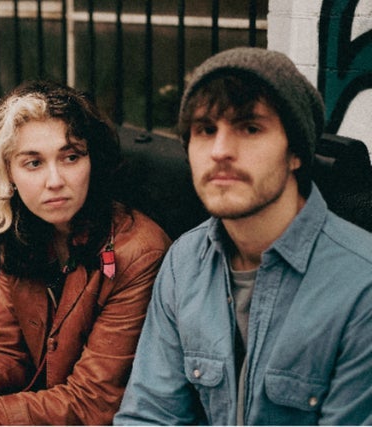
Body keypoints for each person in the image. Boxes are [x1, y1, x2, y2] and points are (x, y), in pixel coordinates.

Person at [114, 47, 372, 425]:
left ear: (296, 153)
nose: (220, 151)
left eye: (250, 128)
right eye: (205, 130)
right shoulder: (185, 261)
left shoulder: (361, 284)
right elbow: (150, 415)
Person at [0, 80, 172, 426]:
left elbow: (93, 403)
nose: (54, 180)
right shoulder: (21, 235)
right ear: (8, 172)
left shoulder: (139, 251)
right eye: (33, 163)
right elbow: (8, 350)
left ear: (93, 162)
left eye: (71, 157)